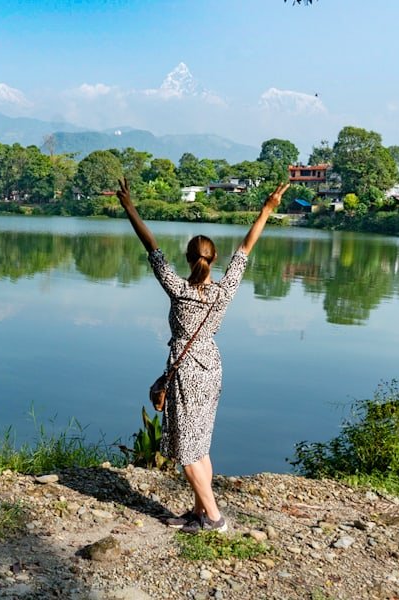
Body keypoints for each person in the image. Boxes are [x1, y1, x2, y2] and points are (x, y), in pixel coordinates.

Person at [117, 177, 289, 533]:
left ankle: (213, 517)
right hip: (211, 366)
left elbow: (151, 246)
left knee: (187, 449)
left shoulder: (179, 290)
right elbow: (245, 248)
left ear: (189, 258)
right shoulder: (224, 292)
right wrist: (267, 210)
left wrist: (129, 208)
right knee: (201, 443)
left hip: (186, 372)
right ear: (213, 259)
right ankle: (197, 512)